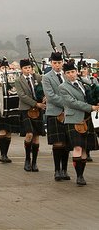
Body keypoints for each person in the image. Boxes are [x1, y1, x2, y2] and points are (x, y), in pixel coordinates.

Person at [59, 61, 99, 186]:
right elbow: (72, 103)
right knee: (77, 147)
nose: (71, 75)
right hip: (73, 119)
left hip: (86, 119)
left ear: (77, 72)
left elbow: (89, 96)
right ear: (65, 74)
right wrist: (91, 107)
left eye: (73, 72)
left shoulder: (83, 83)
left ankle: (81, 174)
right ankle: (79, 176)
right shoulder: (63, 87)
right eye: (68, 73)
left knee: (84, 150)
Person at [42, 52, 70, 181]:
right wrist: (68, 103)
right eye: (55, 63)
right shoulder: (47, 77)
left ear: (62, 62)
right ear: (51, 63)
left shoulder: (68, 75)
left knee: (66, 143)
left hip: (70, 113)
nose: (57, 65)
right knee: (58, 143)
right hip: (54, 112)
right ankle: (57, 170)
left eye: (59, 63)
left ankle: (64, 170)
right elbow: (50, 96)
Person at [15, 59, 46, 172]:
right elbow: (22, 96)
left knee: (36, 136)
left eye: (29, 68)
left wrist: (44, 97)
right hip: (26, 109)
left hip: (38, 110)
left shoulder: (37, 77)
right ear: (21, 69)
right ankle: (27, 159)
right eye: (25, 68)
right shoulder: (18, 80)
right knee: (29, 134)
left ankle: (34, 162)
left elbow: (44, 88)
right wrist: (35, 104)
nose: (28, 70)